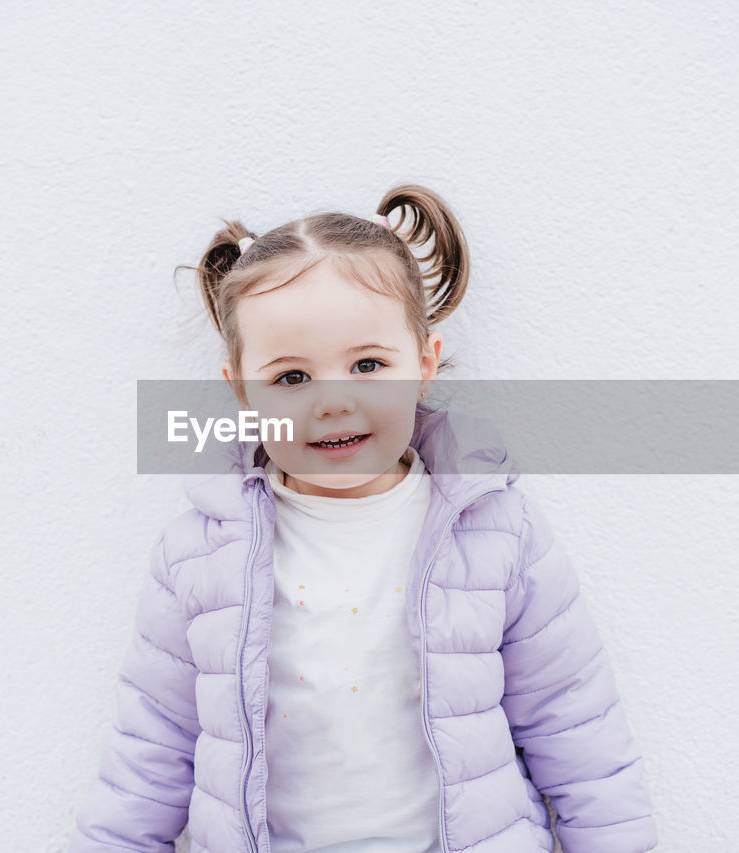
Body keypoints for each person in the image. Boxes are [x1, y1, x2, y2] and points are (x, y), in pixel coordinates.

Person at [68, 185, 658, 852]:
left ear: (425, 363)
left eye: (369, 365)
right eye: (292, 378)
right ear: (240, 389)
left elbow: (577, 726)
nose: (335, 402)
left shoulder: (494, 529)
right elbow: (148, 752)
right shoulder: (199, 553)